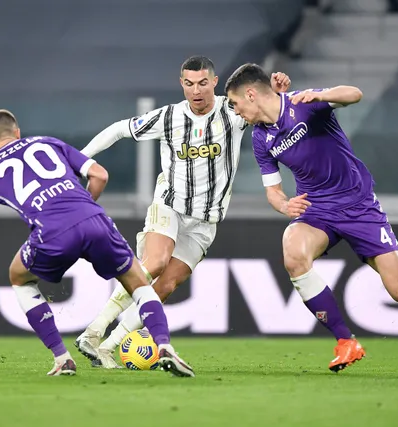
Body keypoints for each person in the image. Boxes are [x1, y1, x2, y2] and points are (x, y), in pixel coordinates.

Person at [224, 63, 398, 375]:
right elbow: (273, 192)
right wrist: (285, 206)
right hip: (317, 209)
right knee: (293, 253)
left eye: (236, 103)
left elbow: (354, 94)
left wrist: (321, 95)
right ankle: (346, 341)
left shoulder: (303, 104)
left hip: (359, 206)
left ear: (251, 94)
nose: (236, 111)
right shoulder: (261, 139)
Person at [0, 109, 194, 377]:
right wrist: (86, 210)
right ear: (17, 132)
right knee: (138, 282)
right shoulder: (47, 142)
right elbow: (100, 175)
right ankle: (163, 345)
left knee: (19, 277)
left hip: (51, 233)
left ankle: (62, 358)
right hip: (94, 219)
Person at [74, 56, 291, 368]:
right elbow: (120, 130)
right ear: (182, 85)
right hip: (170, 205)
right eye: (189, 84)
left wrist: (279, 92)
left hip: (206, 220)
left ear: (215, 82)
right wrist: (80, 160)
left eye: (203, 83)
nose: (196, 90)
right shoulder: (169, 117)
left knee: (164, 287)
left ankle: (108, 346)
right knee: (154, 263)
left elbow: (267, 109)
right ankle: (92, 333)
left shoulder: (233, 110)